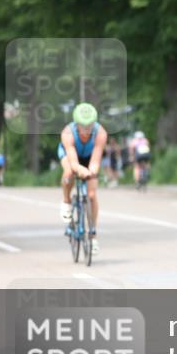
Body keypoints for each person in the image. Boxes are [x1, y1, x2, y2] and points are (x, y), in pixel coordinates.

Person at [58, 103, 108, 254]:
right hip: (71, 156)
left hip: (89, 158)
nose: (86, 130)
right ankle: (66, 200)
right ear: (76, 124)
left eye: (90, 126)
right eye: (83, 126)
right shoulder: (68, 133)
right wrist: (79, 170)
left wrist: (91, 172)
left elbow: (95, 160)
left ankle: (92, 235)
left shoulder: (101, 133)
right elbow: (73, 162)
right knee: (68, 173)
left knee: (92, 195)